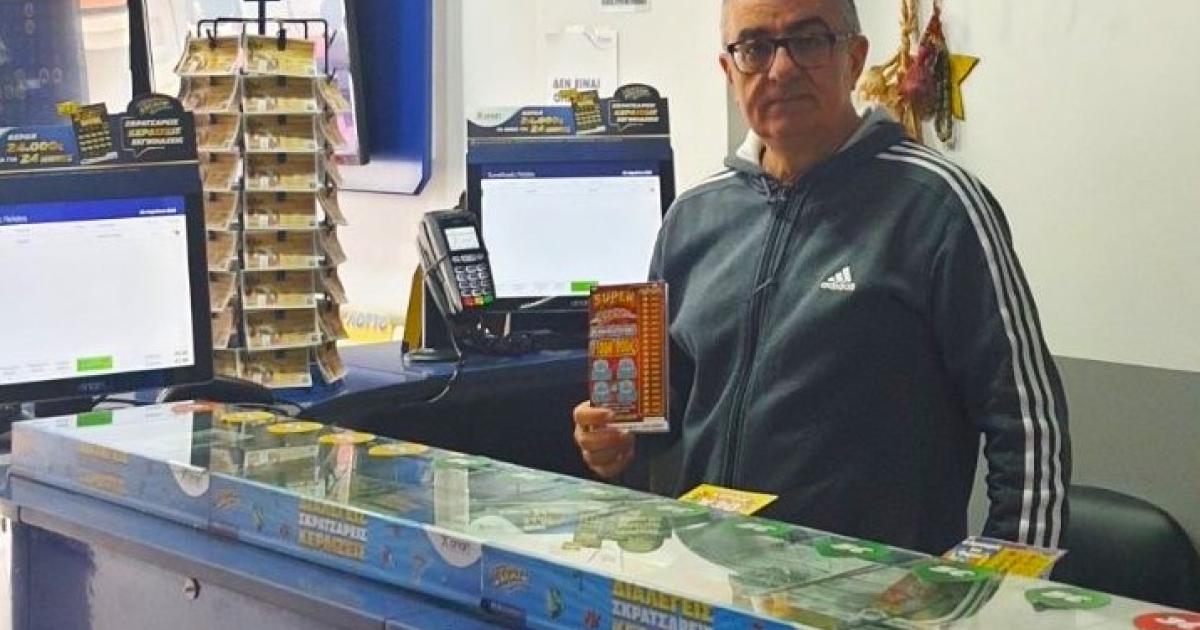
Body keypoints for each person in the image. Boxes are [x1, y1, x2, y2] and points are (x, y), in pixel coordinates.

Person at [573, 0, 1071, 555]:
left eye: (808, 41)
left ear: (854, 58)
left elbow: (1027, 426)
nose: (780, 69)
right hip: (710, 579)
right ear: (729, 70)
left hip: (875, 590)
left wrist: (1002, 590)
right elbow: (666, 408)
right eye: (754, 48)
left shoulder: (939, 207)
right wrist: (619, 442)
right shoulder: (692, 219)